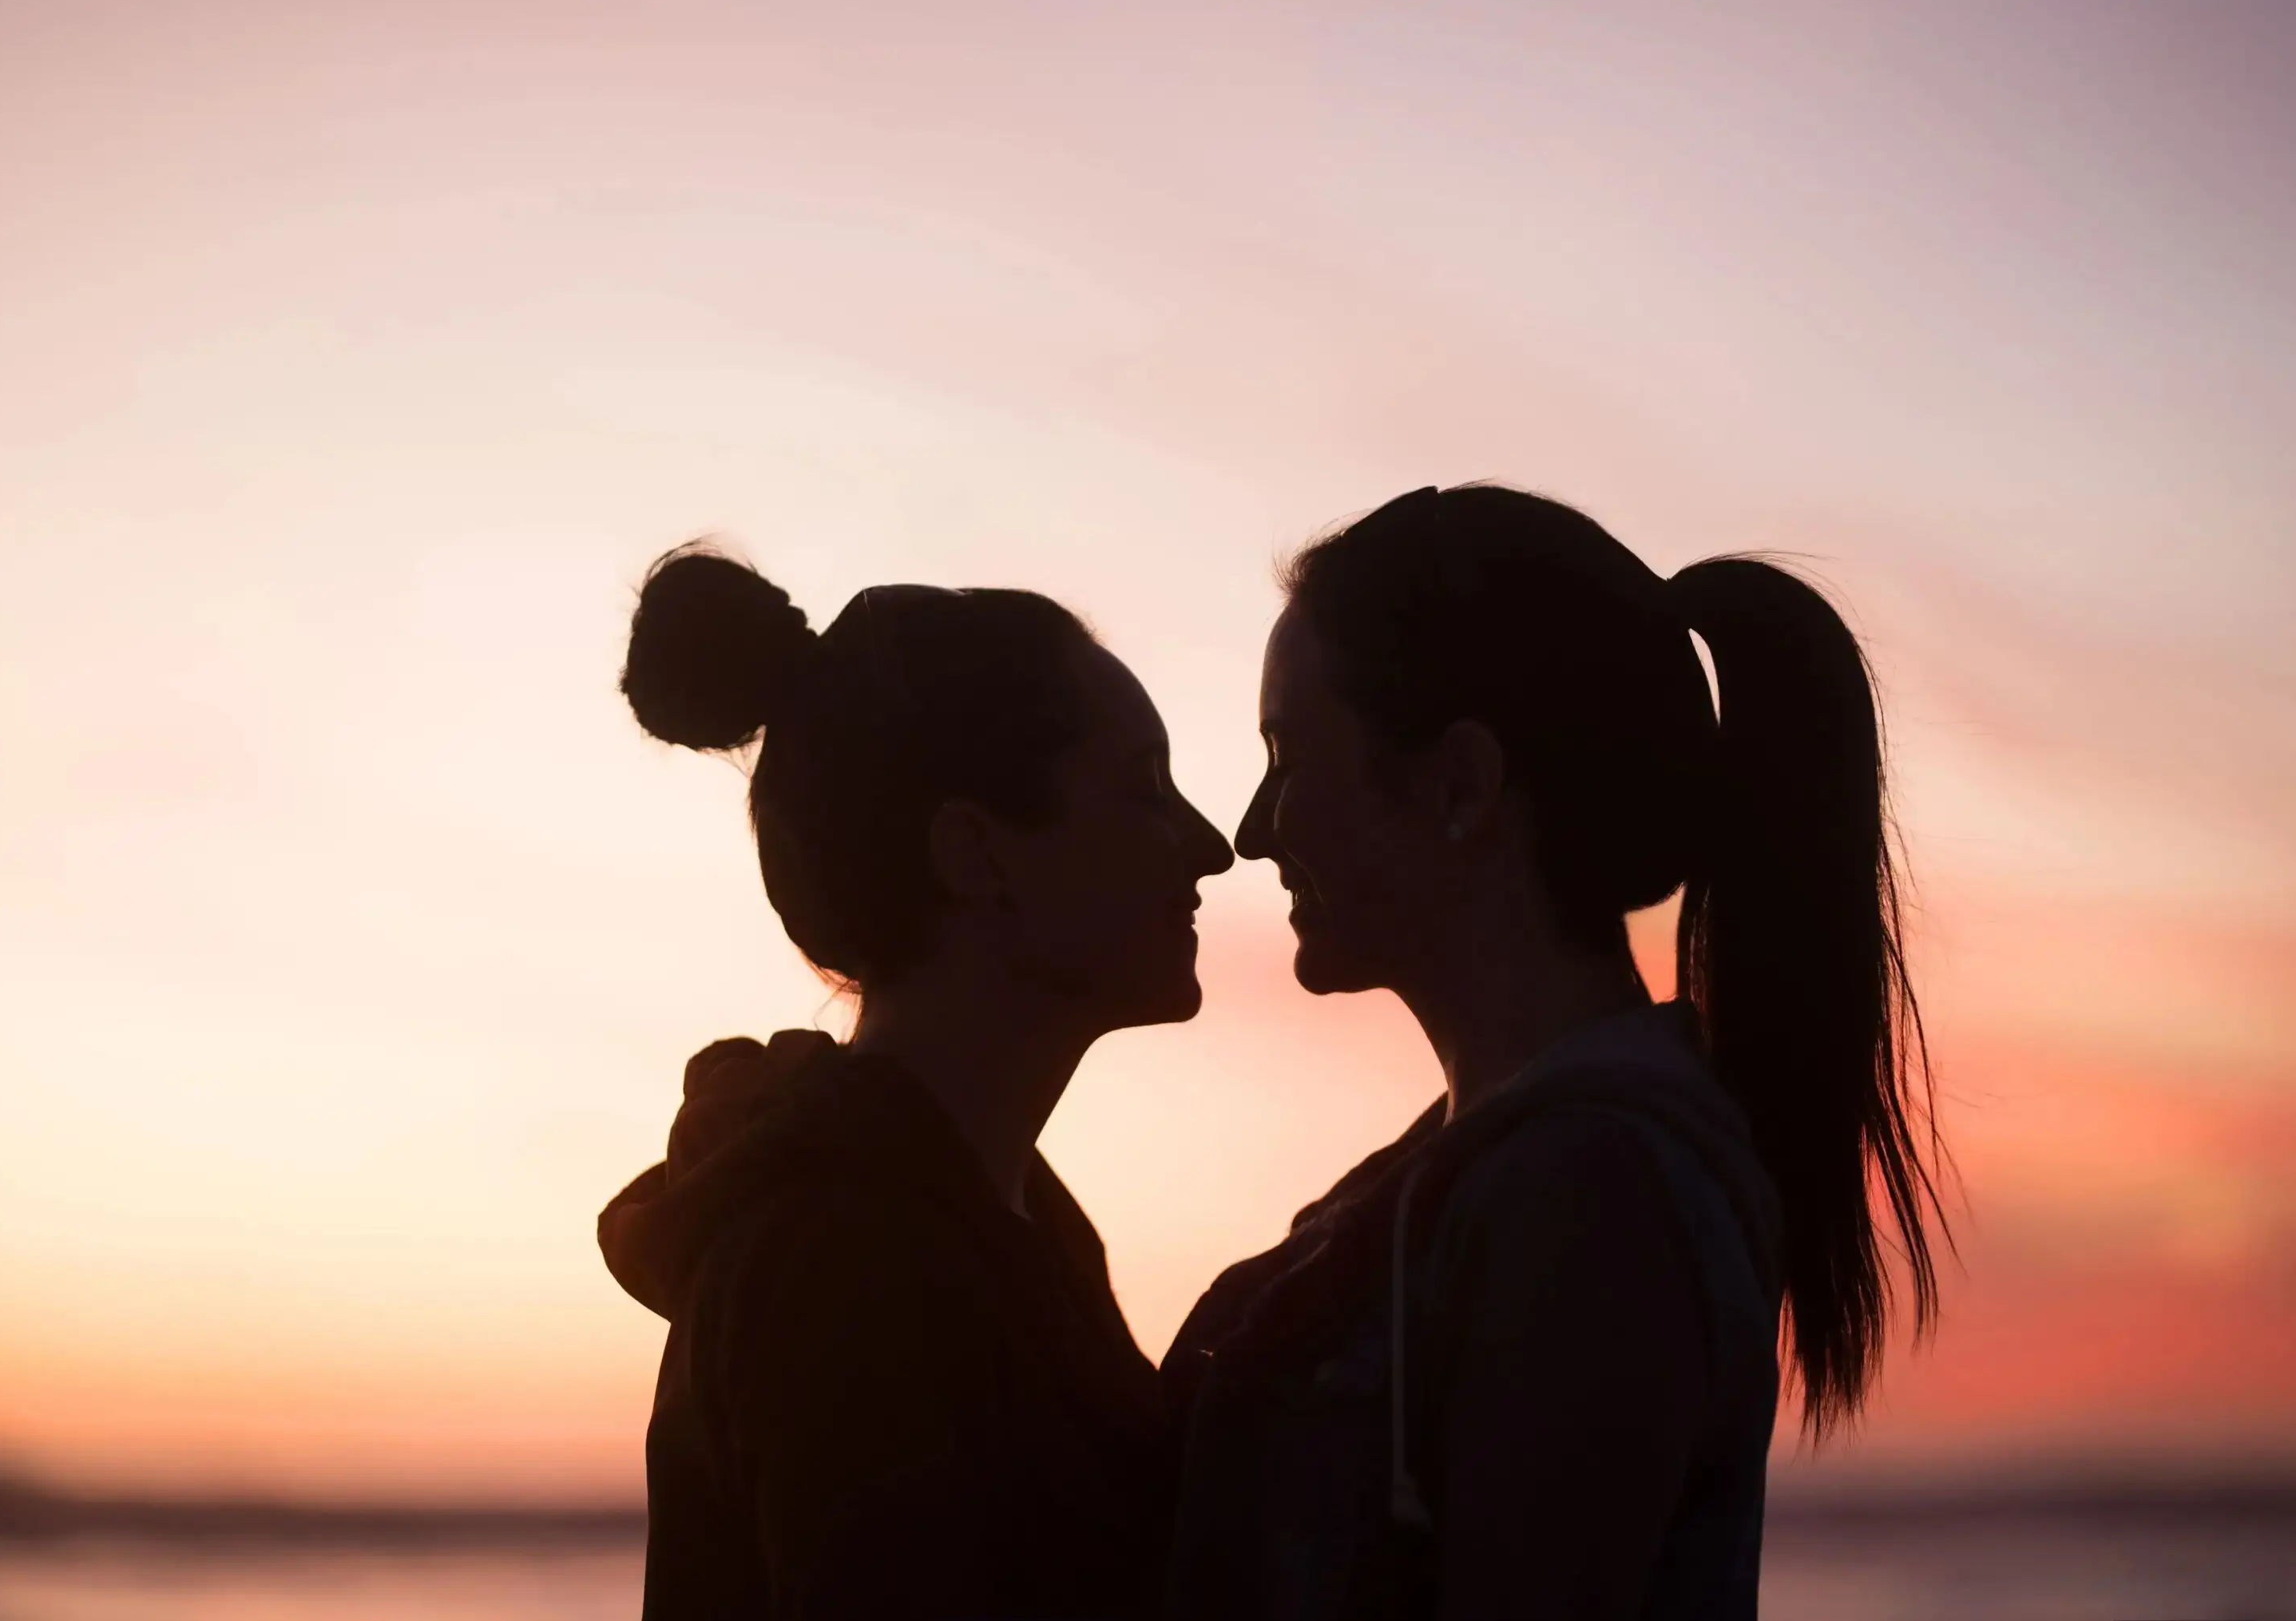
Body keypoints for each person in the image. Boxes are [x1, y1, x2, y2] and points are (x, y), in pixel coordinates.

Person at [1163, 486, 1947, 1620]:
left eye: (1288, 755)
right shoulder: (1516, 1166)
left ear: (1460, 786)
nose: (1252, 827)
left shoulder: (1594, 1191)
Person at [597, 545, 1232, 1620]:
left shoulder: (995, 1223)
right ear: (976, 854)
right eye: (1142, 790)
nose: (1209, 847)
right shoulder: (844, 1266)